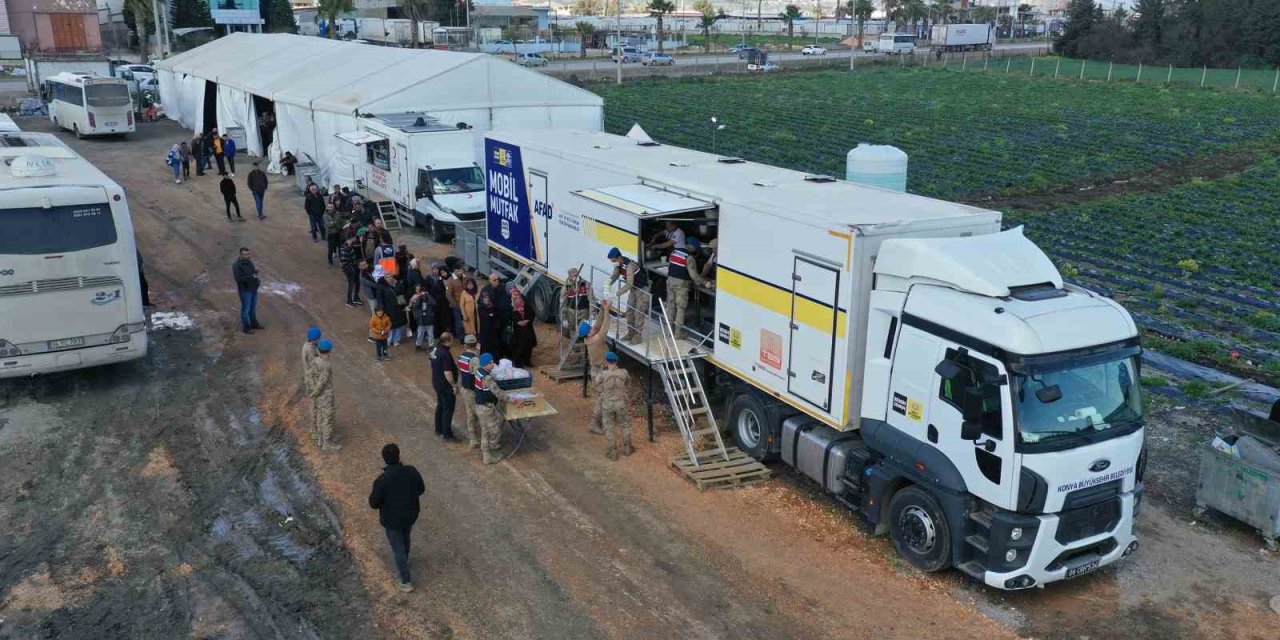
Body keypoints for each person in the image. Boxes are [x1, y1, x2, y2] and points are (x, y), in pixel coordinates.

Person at [367, 443, 425, 593]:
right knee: (406, 537)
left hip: (392, 519)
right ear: (399, 455)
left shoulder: (382, 480)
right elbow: (421, 489)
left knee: (397, 546)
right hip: (411, 513)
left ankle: (405, 580)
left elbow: (374, 503)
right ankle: (405, 561)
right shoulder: (411, 471)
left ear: (384, 459)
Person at [665, 236, 709, 338]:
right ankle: (678, 334)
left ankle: (669, 332)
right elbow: (694, 276)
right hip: (681, 285)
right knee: (680, 308)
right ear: (694, 247)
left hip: (670, 281)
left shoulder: (674, 252)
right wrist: (704, 282)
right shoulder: (689, 257)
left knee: (670, 306)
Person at [471, 353, 510, 465]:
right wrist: (511, 399)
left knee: (485, 431)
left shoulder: (478, 371)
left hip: (480, 405)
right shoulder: (487, 378)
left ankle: (487, 453)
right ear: (485, 364)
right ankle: (489, 453)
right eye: (490, 363)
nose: (493, 364)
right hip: (486, 407)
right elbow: (497, 392)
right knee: (493, 430)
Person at [582, 301, 615, 433]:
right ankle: (595, 423)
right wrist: (607, 310)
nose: (592, 328)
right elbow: (605, 327)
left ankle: (605, 418)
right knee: (602, 398)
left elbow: (598, 324)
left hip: (599, 370)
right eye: (590, 329)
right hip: (601, 372)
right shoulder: (596, 340)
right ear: (588, 334)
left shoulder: (588, 337)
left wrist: (602, 308)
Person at [607, 247, 650, 344]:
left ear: (618, 258)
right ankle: (630, 333)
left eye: (613, 260)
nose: (613, 263)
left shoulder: (629, 266)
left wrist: (616, 294)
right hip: (634, 289)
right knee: (629, 311)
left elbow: (629, 283)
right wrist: (607, 284)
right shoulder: (618, 265)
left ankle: (637, 336)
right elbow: (615, 275)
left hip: (642, 290)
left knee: (639, 312)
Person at [596, 351, 633, 460]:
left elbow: (596, 384)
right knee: (625, 424)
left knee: (609, 427)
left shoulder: (602, 375)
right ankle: (627, 448)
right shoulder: (624, 372)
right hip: (620, 402)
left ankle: (612, 451)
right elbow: (628, 383)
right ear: (616, 361)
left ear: (606, 361)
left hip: (607, 403)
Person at [308, 339, 342, 452]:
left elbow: (310, 376)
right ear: (329, 351)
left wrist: (313, 392)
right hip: (325, 395)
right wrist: (315, 393)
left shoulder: (315, 360)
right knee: (327, 418)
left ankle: (321, 439)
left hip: (319, 395)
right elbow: (322, 382)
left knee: (320, 416)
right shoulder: (326, 365)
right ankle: (327, 443)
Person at [430, 333, 459, 441]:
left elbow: (430, 362)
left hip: (436, 381)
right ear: (447, 341)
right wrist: (453, 385)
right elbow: (447, 373)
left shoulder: (435, 349)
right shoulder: (445, 354)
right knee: (448, 409)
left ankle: (438, 428)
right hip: (445, 384)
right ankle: (447, 434)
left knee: (440, 405)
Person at [456, 335, 482, 450]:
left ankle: (473, 439)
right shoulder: (475, 359)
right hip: (473, 391)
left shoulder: (461, 356)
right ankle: (487, 441)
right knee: (481, 415)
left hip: (465, 389)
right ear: (476, 345)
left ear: (465, 345)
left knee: (470, 414)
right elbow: (479, 375)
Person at [232, 247, 262, 334]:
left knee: (252, 308)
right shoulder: (236, 265)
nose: (248, 256)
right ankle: (246, 327)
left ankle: (253, 323)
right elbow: (238, 279)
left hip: (253, 289)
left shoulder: (249, 262)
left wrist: (255, 274)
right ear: (241, 255)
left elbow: (251, 273)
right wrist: (252, 277)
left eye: (248, 254)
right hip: (245, 291)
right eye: (246, 254)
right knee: (246, 309)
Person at [477, 273, 506, 361]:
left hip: (498, 320)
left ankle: (498, 358)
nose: (496, 282)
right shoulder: (485, 290)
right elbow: (481, 304)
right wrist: (489, 307)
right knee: (487, 342)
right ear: (490, 281)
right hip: (487, 323)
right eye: (494, 280)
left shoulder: (502, 289)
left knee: (498, 341)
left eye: (497, 280)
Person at [508, 286, 537, 368]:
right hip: (517, 332)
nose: (518, 299)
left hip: (527, 330)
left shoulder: (526, 304)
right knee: (518, 347)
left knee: (528, 346)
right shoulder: (511, 307)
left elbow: (532, 314)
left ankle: (527, 361)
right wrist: (517, 322)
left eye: (518, 296)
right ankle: (518, 363)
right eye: (515, 297)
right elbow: (509, 318)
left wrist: (527, 321)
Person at [376, 275, 408, 347]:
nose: (389, 278)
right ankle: (388, 340)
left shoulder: (397, 283)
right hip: (388, 309)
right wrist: (382, 308)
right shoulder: (381, 286)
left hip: (399, 308)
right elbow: (379, 298)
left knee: (399, 325)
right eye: (387, 277)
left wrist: (397, 284)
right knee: (389, 326)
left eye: (390, 276)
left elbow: (402, 293)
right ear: (384, 278)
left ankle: (396, 340)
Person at [561, 267, 593, 335]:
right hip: (572, 313)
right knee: (573, 331)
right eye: (573, 275)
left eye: (576, 275)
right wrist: (564, 318)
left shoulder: (586, 285)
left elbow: (592, 300)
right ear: (569, 276)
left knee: (585, 331)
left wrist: (592, 314)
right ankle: (574, 343)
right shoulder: (566, 287)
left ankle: (584, 343)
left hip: (584, 312)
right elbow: (563, 304)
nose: (575, 277)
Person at [410, 283, 436, 351]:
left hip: (429, 319)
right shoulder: (417, 298)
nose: (423, 294)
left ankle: (431, 345)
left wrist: (428, 295)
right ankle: (418, 345)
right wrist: (419, 297)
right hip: (421, 320)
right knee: (420, 334)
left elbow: (434, 303)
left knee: (430, 334)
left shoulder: (429, 298)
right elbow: (415, 306)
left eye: (424, 292)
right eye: (422, 292)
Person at [339, 237, 364, 307]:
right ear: (349, 239)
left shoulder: (350, 246)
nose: (354, 240)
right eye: (353, 239)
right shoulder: (344, 248)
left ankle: (356, 298)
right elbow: (344, 262)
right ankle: (349, 301)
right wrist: (352, 268)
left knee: (357, 282)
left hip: (354, 268)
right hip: (350, 269)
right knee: (351, 284)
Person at [301, 326, 321, 396]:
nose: (319, 339)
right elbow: (315, 363)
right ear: (314, 339)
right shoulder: (309, 350)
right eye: (318, 338)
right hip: (311, 375)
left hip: (309, 373)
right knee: (314, 394)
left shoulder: (308, 344)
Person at [447, 265, 467, 337]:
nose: (460, 272)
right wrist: (454, 304)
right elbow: (448, 294)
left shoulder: (465, 278)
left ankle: (467, 334)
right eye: (458, 271)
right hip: (457, 304)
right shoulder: (450, 280)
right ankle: (461, 337)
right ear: (454, 271)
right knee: (458, 322)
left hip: (466, 303)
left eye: (461, 270)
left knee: (466, 319)